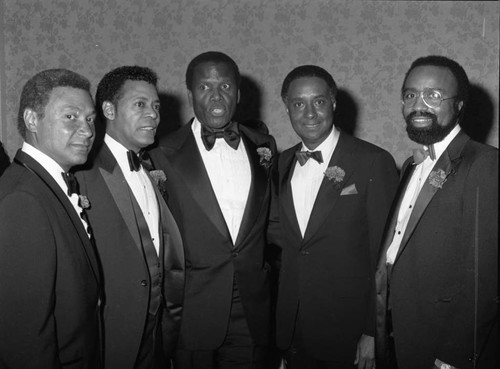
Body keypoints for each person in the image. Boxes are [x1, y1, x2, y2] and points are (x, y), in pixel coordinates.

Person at [148, 51, 277, 369]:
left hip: (252, 309)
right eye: (205, 87)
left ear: (239, 93)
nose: (216, 96)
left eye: (225, 86)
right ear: (190, 94)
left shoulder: (264, 146)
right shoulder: (160, 154)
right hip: (193, 312)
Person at [267, 65, 399, 369]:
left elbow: (386, 257)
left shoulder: (372, 161)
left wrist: (372, 330)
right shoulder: (280, 163)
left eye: (319, 101)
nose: (310, 113)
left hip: (349, 332)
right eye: (299, 103)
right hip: (293, 329)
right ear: (287, 107)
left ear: (334, 103)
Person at [375, 55, 498, 369]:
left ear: (458, 106)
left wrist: (455, 355)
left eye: (433, 96)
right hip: (398, 331)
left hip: (444, 345)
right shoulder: (410, 165)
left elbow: (486, 276)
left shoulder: (485, 164)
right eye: (411, 95)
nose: (419, 105)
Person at [76, 66, 185, 369]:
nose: (153, 114)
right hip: (111, 337)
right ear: (108, 110)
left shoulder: (152, 168)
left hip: (157, 335)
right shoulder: (82, 172)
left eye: (156, 106)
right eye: (140, 105)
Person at [0, 69, 101, 368]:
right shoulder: (22, 198)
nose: (87, 130)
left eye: (90, 119)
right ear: (32, 120)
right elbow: (23, 338)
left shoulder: (42, 183)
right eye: (71, 116)